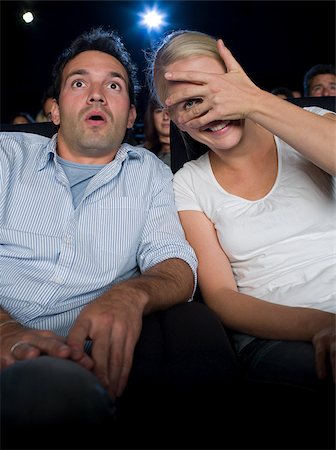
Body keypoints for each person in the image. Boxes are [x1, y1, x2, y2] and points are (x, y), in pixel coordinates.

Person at [0, 27, 240, 449]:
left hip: (90, 356)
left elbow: (176, 264)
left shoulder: (149, 172)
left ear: (131, 115)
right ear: (54, 110)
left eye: (113, 85)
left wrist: (132, 295)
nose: (96, 95)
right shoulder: (6, 156)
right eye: (79, 83)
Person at [148, 29, 336, 448]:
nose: (210, 111)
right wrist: (321, 325)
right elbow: (222, 297)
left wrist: (254, 100)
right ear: (173, 118)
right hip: (281, 334)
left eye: (215, 90)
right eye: (189, 103)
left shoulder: (311, 128)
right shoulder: (187, 185)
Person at [143, 97, 171, 166]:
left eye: (170, 110)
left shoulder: (194, 156)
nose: (165, 117)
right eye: (159, 110)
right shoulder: (140, 154)